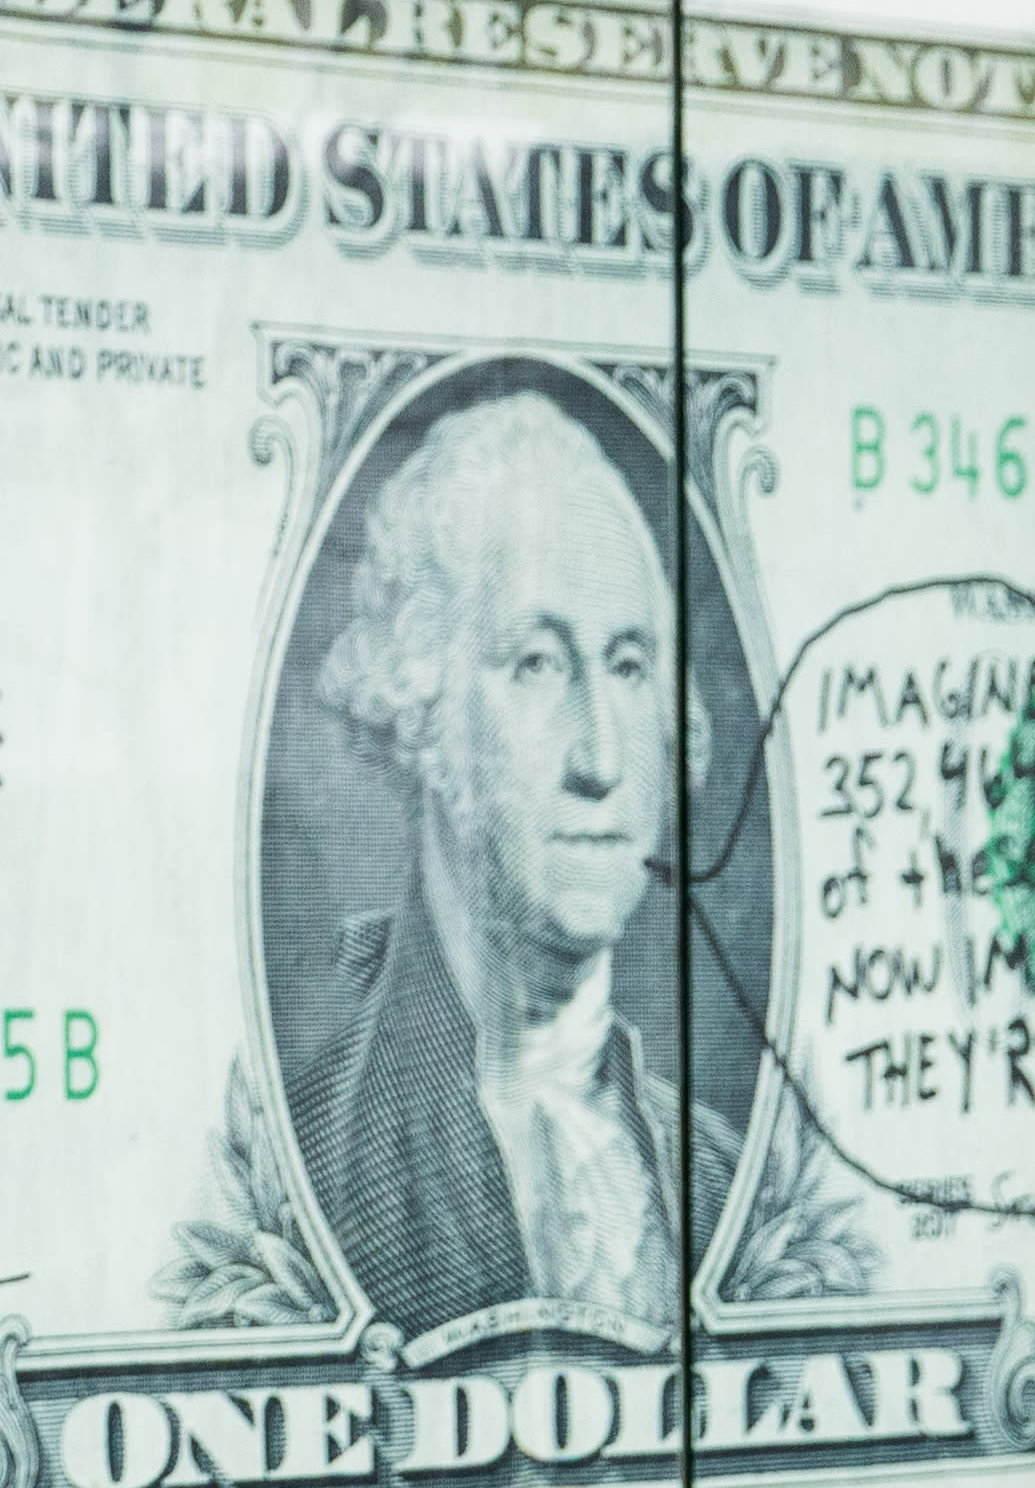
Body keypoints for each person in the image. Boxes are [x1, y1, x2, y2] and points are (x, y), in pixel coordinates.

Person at [284, 379, 734, 1342]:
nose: (602, 760)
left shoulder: (723, 1177)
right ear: (423, 704)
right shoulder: (311, 1169)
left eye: (627, 665)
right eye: (536, 663)